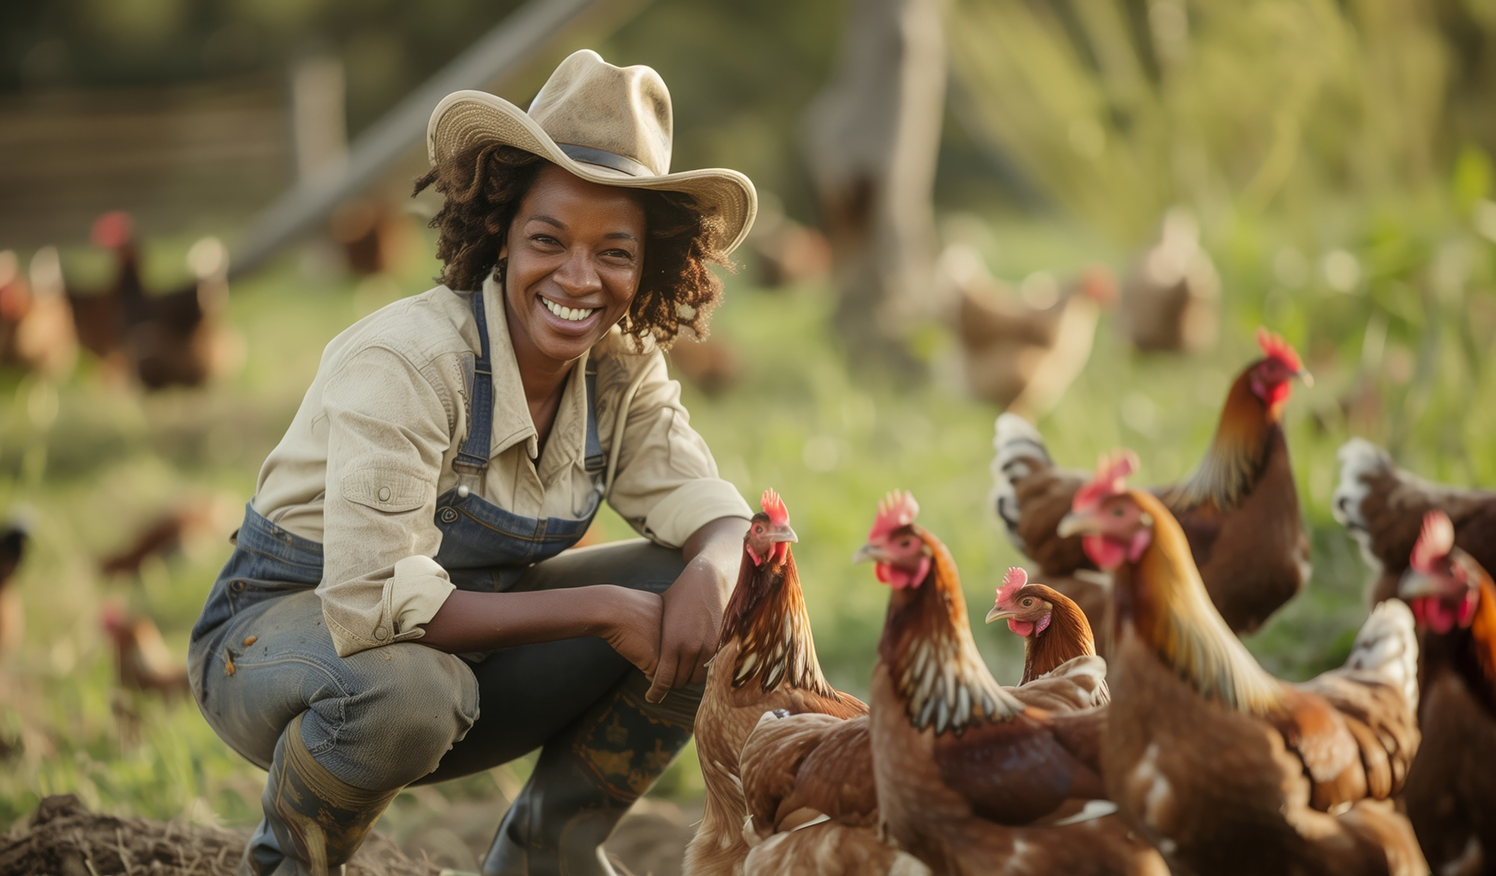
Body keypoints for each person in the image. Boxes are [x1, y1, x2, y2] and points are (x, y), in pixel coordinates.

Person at [187, 49, 759, 876]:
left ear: (651, 266)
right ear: (499, 232)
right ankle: (286, 865)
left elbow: (715, 509)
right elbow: (377, 602)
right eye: (548, 240)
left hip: (466, 653)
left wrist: (711, 567)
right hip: (285, 643)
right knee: (411, 694)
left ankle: (543, 857)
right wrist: (603, 607)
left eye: (614, 253)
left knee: (723, 603)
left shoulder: (620, 369)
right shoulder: (411, 363)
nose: (578, 277)